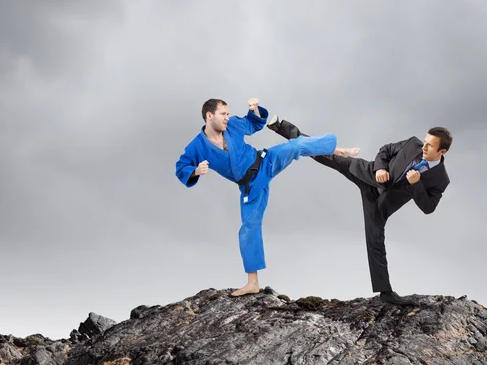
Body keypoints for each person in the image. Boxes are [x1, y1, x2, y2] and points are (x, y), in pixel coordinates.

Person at [175, 98, 360, 297]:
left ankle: (337, 149)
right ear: (209, 116)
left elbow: (254, 123)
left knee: (294, 146)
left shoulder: (234, 125)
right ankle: (252, 283)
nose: (227, 118)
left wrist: (254, 110)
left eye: (228, 114)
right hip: (251, 187)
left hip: (265, 161)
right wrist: (195, 170)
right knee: (248, 229)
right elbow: (181, 167)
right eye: (223, 114)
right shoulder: (197, 146)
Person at [266, 115, 452, 305]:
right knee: (327, 156)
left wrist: (417, 185)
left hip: (380, 203)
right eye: (425, 141)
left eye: (430, 145)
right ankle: (281, 127)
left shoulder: (440, 179)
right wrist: (380, 169)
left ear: (442, 151)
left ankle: (386, 293)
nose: (424, 147)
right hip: (368, 174)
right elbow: (385, 151)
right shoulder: (413, 143)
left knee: (375, 241)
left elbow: (429, 207)